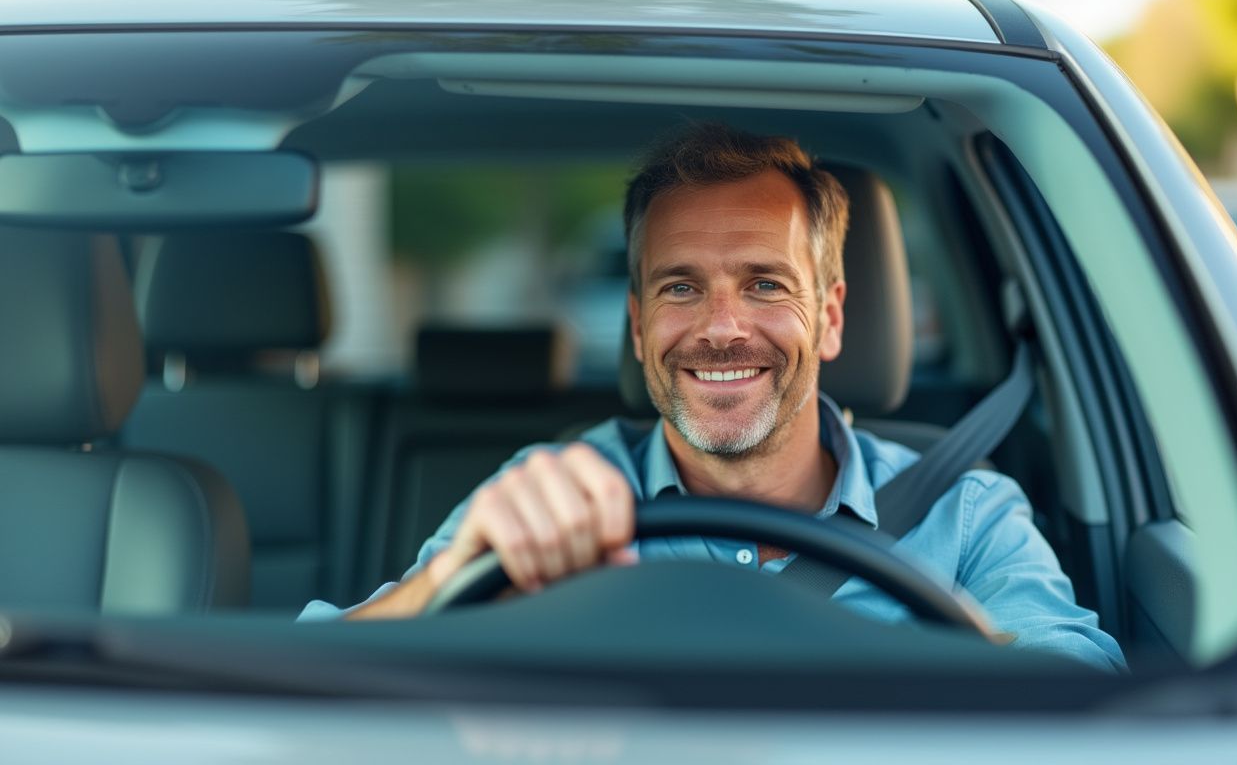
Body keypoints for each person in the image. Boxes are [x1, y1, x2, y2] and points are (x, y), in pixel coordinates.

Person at [300, 123, 1126, 672]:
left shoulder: (967, 514)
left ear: (831, 316)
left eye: (764, 284)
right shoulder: (548, 494)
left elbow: (1096, 710)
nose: (722, 329)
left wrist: (960, 658)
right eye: (681, 288)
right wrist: (456, 579)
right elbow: (315, 672)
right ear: (636, 324)